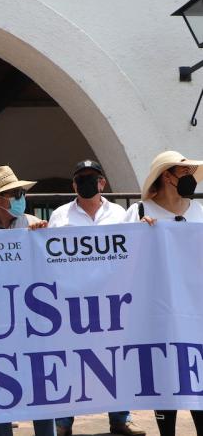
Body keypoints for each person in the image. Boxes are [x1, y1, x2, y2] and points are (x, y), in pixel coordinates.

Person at [48, 160, 145, 436]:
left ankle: (120, 418)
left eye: (93, 177)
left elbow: (133, 247)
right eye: (82, 177)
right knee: (70, 359)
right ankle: (64, 423)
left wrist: (147, 228)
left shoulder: (120, 213)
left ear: (102, 182)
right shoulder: (60, 216)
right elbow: (48, 254)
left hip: (113, 300)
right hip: (73, 300)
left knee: (116, 357)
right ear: (74, 184)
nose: (88, 181)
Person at [124, 150, 203, 436]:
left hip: (195, 308)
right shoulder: (140, 212)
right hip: (158, 308)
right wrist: (139, 235)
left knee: (197, 377)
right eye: (183, 173)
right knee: (166, 376)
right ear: (166, 176)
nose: (190, 179)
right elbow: (122, 258)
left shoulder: (199, 211)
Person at [0, 166, 53, 436]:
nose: (21, 197)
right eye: (15, 193)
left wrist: (44, 238)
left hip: (32, 319)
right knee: (0, 386)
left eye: (20, 192)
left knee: (40, 387)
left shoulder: (31, 224)